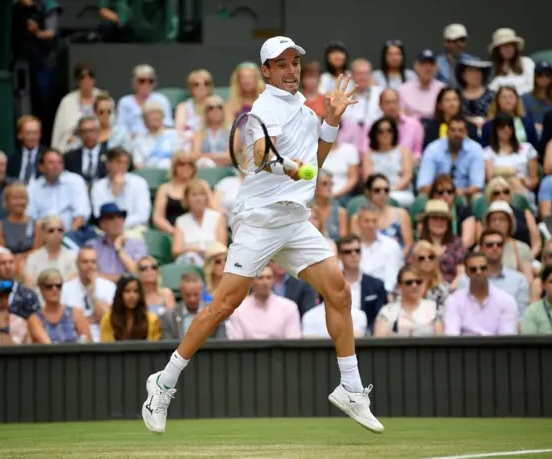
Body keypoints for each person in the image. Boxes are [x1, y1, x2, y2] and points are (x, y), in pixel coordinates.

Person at [141, 36, 384, 435]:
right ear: (267, 71)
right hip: (258, 221)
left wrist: (333, 120)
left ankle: (351, 389)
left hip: (294, 220)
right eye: (281, 64)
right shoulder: (264, 109)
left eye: (295, 63)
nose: (291, 71)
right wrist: (286, 166)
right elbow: (259, 154)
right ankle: (163, 383)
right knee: (223, 305)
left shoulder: (304, 110)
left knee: (338, 291)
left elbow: (316, 162)